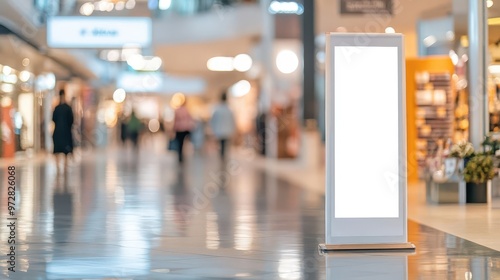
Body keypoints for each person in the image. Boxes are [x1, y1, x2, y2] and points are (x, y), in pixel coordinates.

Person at [52, 89, 74, 173]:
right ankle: (65, 166)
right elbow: (71, 120)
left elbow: (53, 119)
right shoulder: (68, 108)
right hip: (66, 131)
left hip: (57, 131)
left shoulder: (57, 108)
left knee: (57, 149)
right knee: (66, 150)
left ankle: (58, 167)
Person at [210, 91, 235, 159]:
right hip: (226, 130)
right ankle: (223, 156)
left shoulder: (217, 109)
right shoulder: (229, 109)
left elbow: (213, 120)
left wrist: (213, 129)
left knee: (221, 145)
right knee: (224, 145)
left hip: (219, 130)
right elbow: (232, 121)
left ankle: (222, 156)